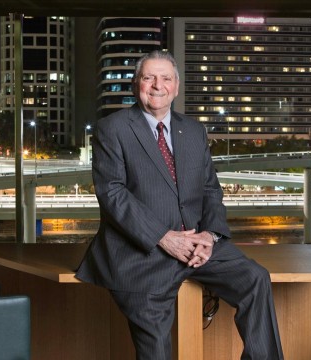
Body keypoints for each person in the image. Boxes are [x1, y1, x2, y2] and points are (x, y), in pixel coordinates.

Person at [75, 50, 284, 360]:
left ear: (176, 86)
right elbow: (112, 194)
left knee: (256, 279)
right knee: (156, 348)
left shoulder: (193, 131)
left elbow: (210, 189)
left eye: (166, 78)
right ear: (137, 84)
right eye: (149, 78)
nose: (157, 85)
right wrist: (164, 237)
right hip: (141, 253)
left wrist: (210, 236)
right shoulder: (113, 128)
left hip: (196, 245)